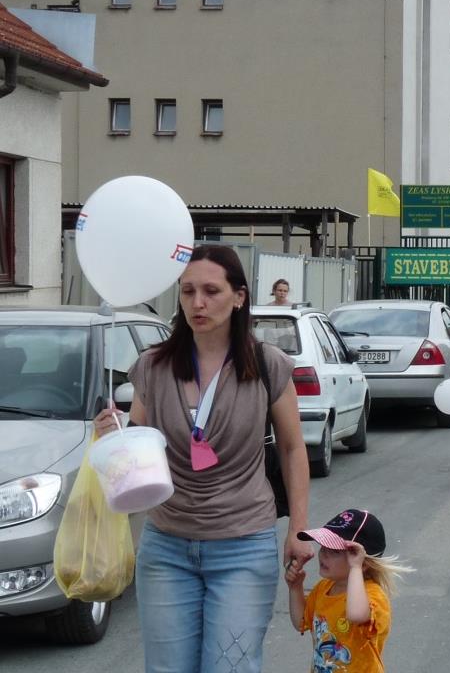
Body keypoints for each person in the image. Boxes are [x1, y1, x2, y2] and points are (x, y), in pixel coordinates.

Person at [92, 245, 312, 673]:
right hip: (167, 544)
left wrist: (299, 529)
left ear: (239, 297)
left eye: (211, 290)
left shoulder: (269, 366)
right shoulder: (153, 366)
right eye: (188, 291)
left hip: (244, 546)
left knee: (230, 668)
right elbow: (138, 445)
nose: (198, 302)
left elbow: (292, 447)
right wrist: (114, 435)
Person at [287, 509, 413, 673]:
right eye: (323, 547)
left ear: (362, 562)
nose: (323, 554)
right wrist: (295, 588)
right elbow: (301, 622)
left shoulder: (373, 595)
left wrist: (355, 568)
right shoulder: (324, 588)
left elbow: (356, 615)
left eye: (334, 551)